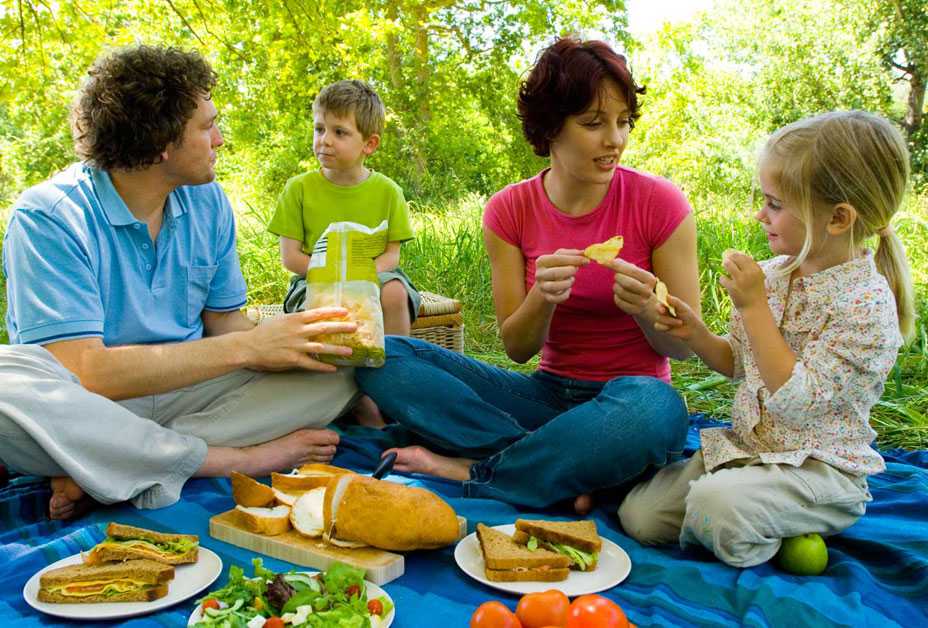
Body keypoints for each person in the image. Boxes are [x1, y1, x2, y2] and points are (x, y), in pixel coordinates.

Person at [0, 46, 361, 520]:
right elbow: (86, 372)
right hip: (84, 406)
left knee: (339, 370)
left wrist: (289, 342)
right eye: (207, 126)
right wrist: (247, 351)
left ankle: (110, 466)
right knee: (7, 383)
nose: (220, 139)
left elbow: (224, 322)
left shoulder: (208, 202)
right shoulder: (49, 217)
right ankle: (225, 460)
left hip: (178, 396)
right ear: (161, 143)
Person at [355, 37, 701, 513]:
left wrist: (646, 312)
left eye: (623, 122)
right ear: (551, 128)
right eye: (594, 124)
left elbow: (683, 347)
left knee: (657, 407)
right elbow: (518, 348)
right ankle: (560, 464)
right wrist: (542, 297)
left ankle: (480, 469)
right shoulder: (510, 209)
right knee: (383, 354)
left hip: (628, 399)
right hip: (544, 396)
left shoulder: (661, 203)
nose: (615, 140)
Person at [618, 111, 914, 567]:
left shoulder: (867, 307)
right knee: (639, 514)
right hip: (750, 451)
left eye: (775, 204)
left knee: (717, 508)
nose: (761, 214)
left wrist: (754, 307)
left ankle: (781, 522)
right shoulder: (775, 275)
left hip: (818, 467)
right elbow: (737, 361)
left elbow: (795, 397)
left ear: (837, 218)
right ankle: (750, 514)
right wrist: (695, 332)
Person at [268, 79, 421, 337]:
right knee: (327, 304)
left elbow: (391, 256)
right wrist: (337, 280)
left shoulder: (388, 192)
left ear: (369, 144)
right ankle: (325, 367)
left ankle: (398, 365)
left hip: (375, 277)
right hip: (314, 280)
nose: (324, 140)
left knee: (395, 292)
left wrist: (359, 280)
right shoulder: (298, 189)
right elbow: (291, 257)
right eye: (319, 129)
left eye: (339, 132)